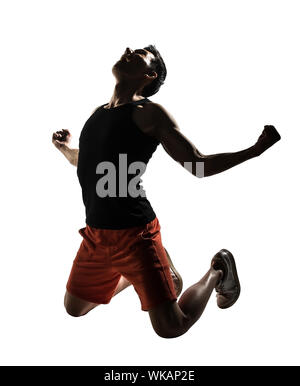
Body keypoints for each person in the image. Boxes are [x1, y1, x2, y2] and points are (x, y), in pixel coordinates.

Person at [52, 45, 281, 338]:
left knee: (171, 326)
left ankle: (218, 269)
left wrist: (253, 151)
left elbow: (198, 164)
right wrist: (65, 148)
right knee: (75, 308)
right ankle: (154, 275)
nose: (127, 50)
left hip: (135, 236)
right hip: (97, 236)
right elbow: (83, 161)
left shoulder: (149, 113)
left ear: (150, 74)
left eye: (139, 53)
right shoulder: (99, 114)